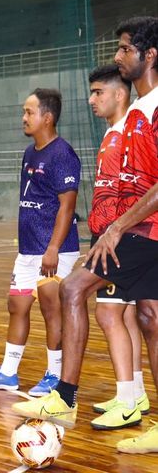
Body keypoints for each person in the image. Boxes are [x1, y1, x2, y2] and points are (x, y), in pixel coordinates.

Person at [11, 16, 158, 454]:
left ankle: (65, 399)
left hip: (143, 229)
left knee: (73, 289)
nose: (118, 56)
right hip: (137, 228)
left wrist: (116, 225)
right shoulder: (135, 115)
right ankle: (129, 401)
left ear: (149, 56)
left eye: (125, 49)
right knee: (149, 318)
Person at [0, 88, 81, 394]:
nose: (23, 117)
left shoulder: (63, 154)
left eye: (29, 112)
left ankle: (55, 375)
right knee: (16, 305)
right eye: (24, 111)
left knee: (51, 308)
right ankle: (8, 372)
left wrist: (53, 249)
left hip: (55, 250)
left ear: (47, 117)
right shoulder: (30, 152)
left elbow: (67, 206)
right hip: (28, 250)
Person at [87, 64, 149, 430]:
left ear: (119, 93)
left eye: (98, 92)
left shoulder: (131, 129)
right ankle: (134, 392)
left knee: (108, 314)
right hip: (110, 232)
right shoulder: (113, 131)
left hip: (122, 234)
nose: (92, 100)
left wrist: (114, 232)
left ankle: (127, 400)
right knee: (125, 315)